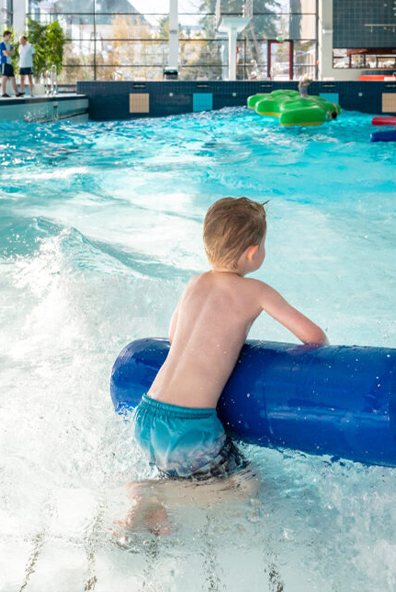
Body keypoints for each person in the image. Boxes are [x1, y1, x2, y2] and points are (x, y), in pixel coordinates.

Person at [124, 197, 328, 535]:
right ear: (252, 253)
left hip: (148, 415)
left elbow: (174, 337)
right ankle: (156, 495)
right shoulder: (256, 291)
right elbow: (314, 337)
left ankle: (156, 515)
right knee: (246, 484)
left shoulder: (194, 283)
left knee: (188, 470)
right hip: (190, 428)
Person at [0, 31, 22, 97]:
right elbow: (5, 54)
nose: (10, 37)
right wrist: (9, 52)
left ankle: (17, 93)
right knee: (4, 77)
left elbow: (13, 52)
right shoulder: (1, 44)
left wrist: (8, 53)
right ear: (5, 35)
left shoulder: (9, 44)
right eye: (9, 36)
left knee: (13, 78)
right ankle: (3, 93)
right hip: (4, 63)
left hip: (9, 63)